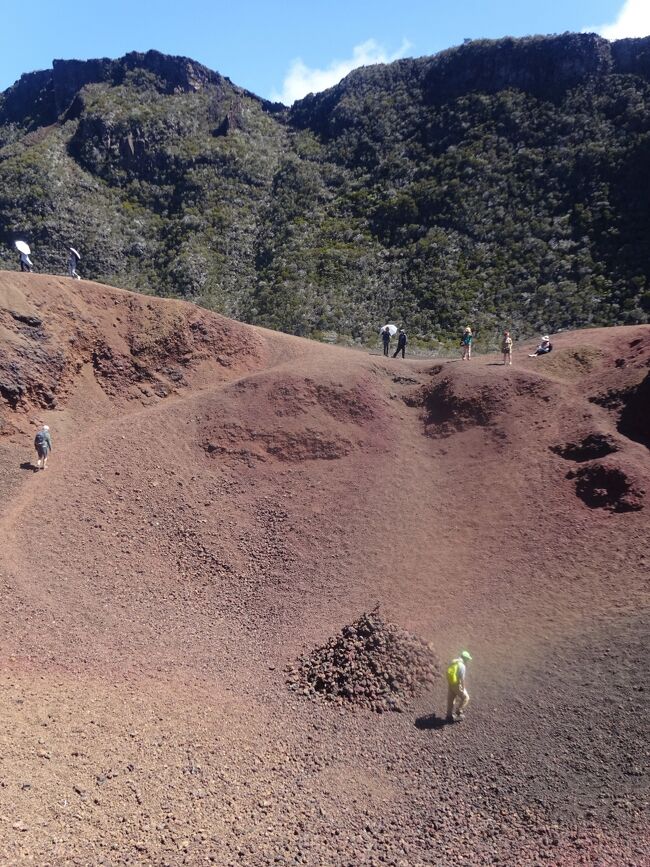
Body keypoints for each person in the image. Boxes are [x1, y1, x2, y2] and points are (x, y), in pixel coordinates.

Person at [446, 650, 472, 722]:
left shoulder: (454, 661)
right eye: (467, 659)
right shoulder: (462, 666)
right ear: (465, 659)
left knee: (451, 700)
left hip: (450, 682)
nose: (468, 661)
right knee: (466, 698)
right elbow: (462, 679)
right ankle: (459, 711)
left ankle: (449, 716)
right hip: (457, 684)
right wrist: (463, 688)